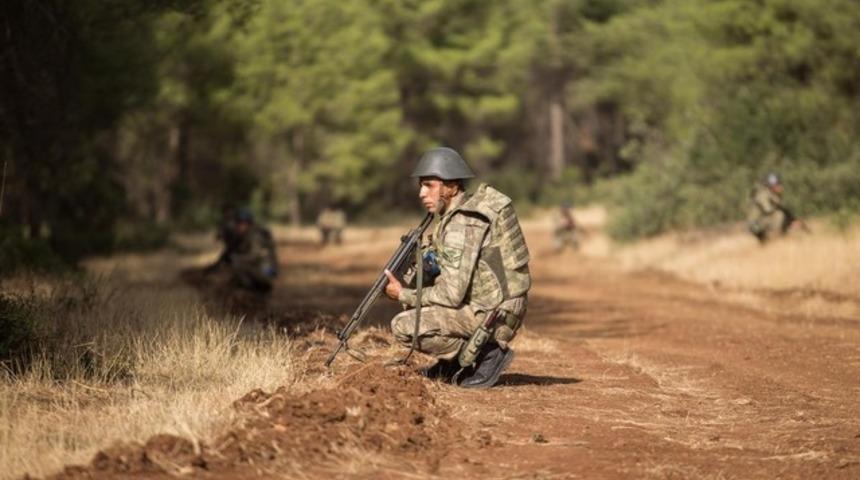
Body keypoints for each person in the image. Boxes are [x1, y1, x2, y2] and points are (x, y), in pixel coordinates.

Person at [382, 147, 531, 389]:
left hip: (493, 316)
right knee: (422, 299)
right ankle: (453, 362)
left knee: (403, 326)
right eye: (421, 185)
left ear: (451, 187)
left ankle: (487, 353)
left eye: (429, 185)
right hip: (497, 307)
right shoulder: (462, 213)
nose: (421, 193)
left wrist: (403, 294)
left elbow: (451, 295)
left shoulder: (462, 224)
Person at [228, 207, 279, 292]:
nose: (238, 227)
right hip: (269, 270)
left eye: (240, 224)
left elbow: (255, 255)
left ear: (246, 223)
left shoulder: (255, 236)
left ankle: (251, 290)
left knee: (237, 262)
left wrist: (238, 258)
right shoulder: (254, 233)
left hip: (267, 272)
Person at [746, 172, 801, 244]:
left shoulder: (772, 194)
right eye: (777, 184)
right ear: (771, 186)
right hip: (755, 225)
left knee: (784, 216)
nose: (780, 187)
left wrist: (791, 219)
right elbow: (768, 209)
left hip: (761, 221)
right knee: (779, 215)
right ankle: (775, 238)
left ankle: (779, 238)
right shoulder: (763, 194)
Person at [205, 202, 241, 273]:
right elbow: (219, 235)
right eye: (227, 211)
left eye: (230, 211)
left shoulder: (238, 221)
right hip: (231, 248)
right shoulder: (224, 222)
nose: (229, 213)